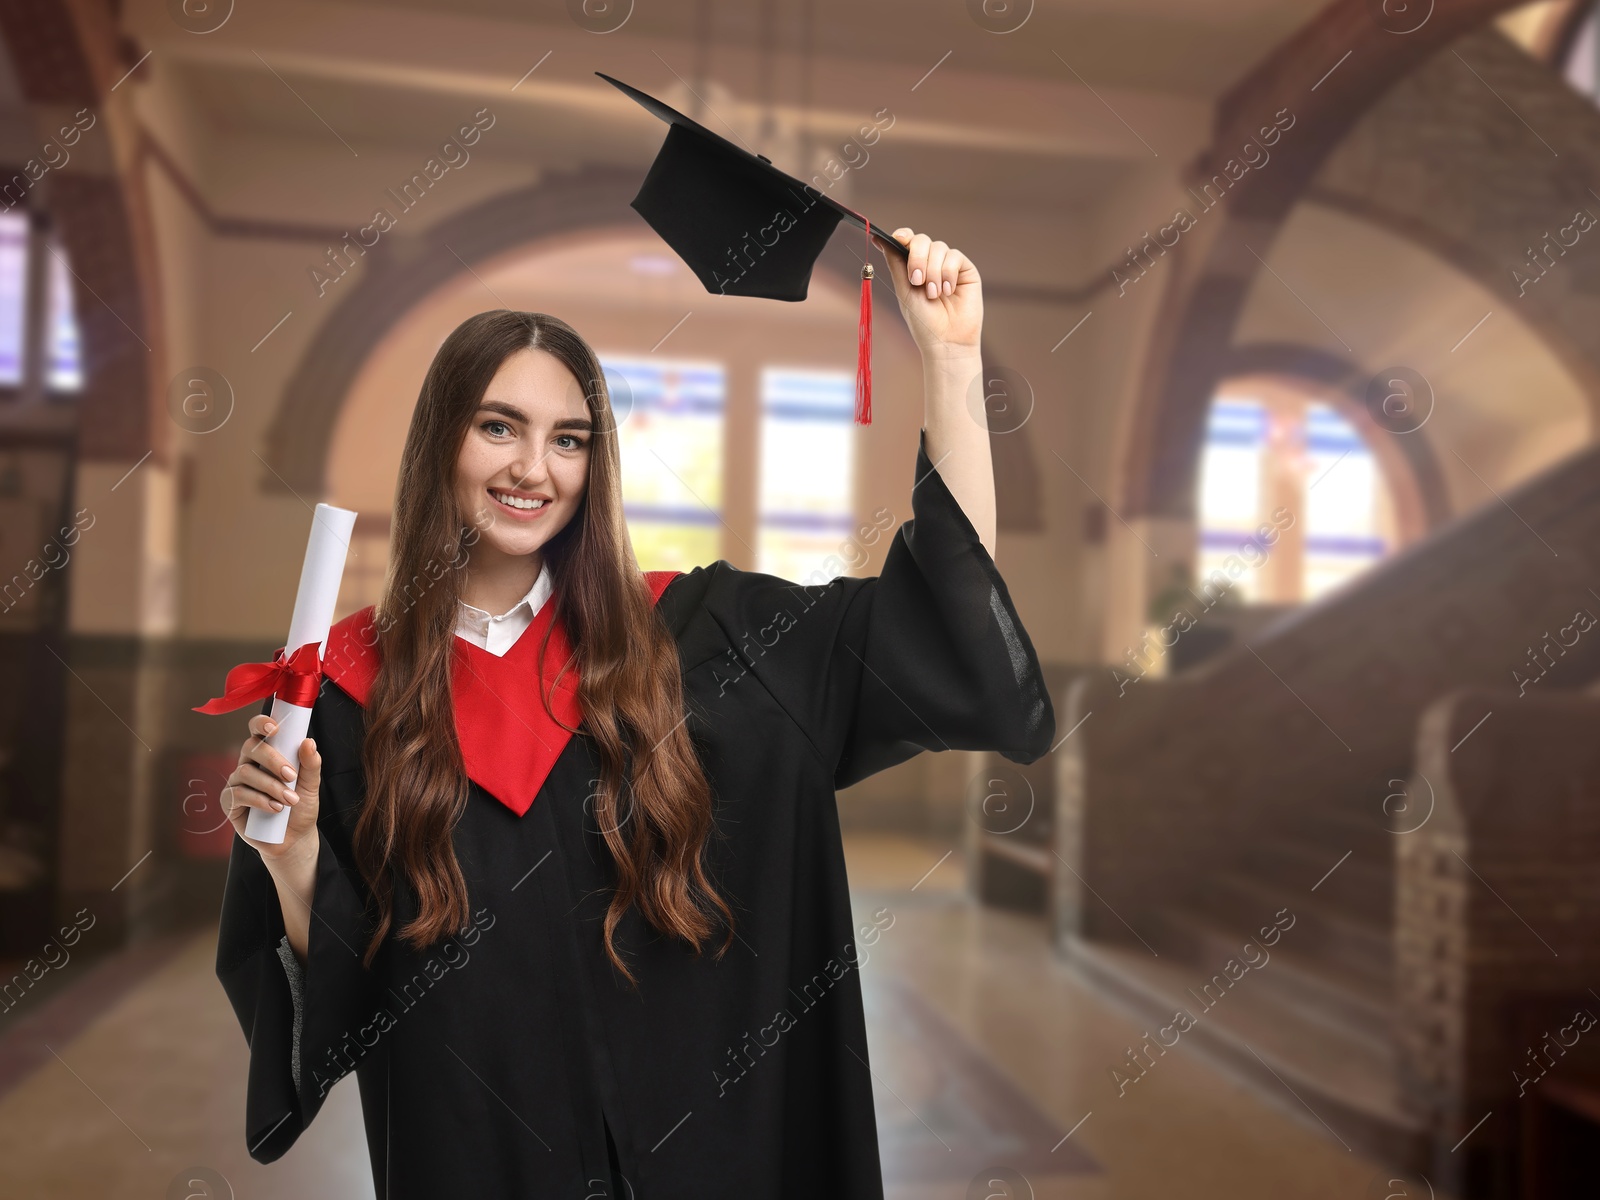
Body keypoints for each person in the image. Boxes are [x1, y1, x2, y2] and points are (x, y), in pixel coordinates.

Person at [214, 228, 1054, 1199]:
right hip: (478, 1161)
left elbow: (937, 626)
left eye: (567, 439)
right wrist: (293, 859)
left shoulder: (703, 635)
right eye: (498, 426)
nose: (534, 467)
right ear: (439, 439)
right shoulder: (348, 693)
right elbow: (345, 1012)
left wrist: (949, 361)